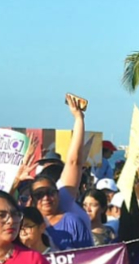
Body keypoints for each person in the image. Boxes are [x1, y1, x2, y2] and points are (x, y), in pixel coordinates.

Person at [30, 95, 93, 251]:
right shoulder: (25, 220)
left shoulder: (68, 212)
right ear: (32, 199)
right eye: (39, 194)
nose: (46, 198)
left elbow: (74, 162)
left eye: (50, 192)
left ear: (58, 193)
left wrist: (79, 119)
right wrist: (16, 181)